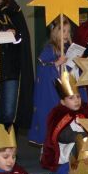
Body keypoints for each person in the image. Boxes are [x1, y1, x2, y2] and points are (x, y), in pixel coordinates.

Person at [31, 17, 72, 146]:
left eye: (68, 31)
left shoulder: (69, 48)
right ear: (55, 32)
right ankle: (49, 146)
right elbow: (42, 69)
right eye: (63, 31)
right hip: (52, 92)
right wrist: (57, 63)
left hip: (67, 88)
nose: (66, 34)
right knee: (52, 117)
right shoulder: (49, 49)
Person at [40, 71, 88, 172]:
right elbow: (63, 136)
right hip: (66, 148)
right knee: (81, 144)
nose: (76, 100)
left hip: (86, 144)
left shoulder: (85, 111)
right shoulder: (58, 114)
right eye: (71, 98)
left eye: (78, 96)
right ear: (63, 102)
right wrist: (85, 137)